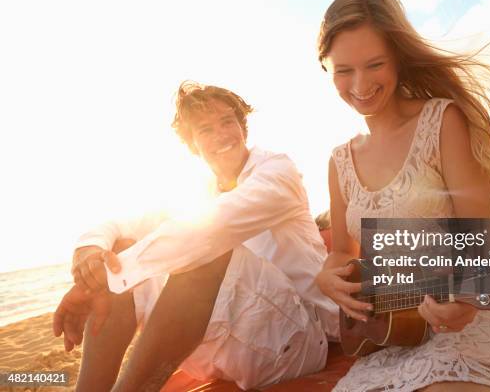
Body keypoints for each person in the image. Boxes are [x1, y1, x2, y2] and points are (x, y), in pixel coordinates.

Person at [314, 0, 490, 391]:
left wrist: (465, 299)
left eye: (375, 64)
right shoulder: (339, 161)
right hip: (391, 341)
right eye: (343, 70)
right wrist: (326, 276)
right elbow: (343, 252)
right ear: (326, 67)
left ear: (398, 58)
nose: (360, 84)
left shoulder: (442, 122)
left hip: (470, 326)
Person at [53, 81, 338, 391]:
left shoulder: (277, 171)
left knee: (195, 252)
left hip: (303, 339)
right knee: (120, 250)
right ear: (192, 145)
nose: (221, 134)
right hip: (230, 346)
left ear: (243, 126)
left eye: (227, 121)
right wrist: (89, 253)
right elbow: (127, 223)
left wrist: (109, 276)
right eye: (205, 129)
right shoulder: (198, 192)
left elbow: (211, 231)